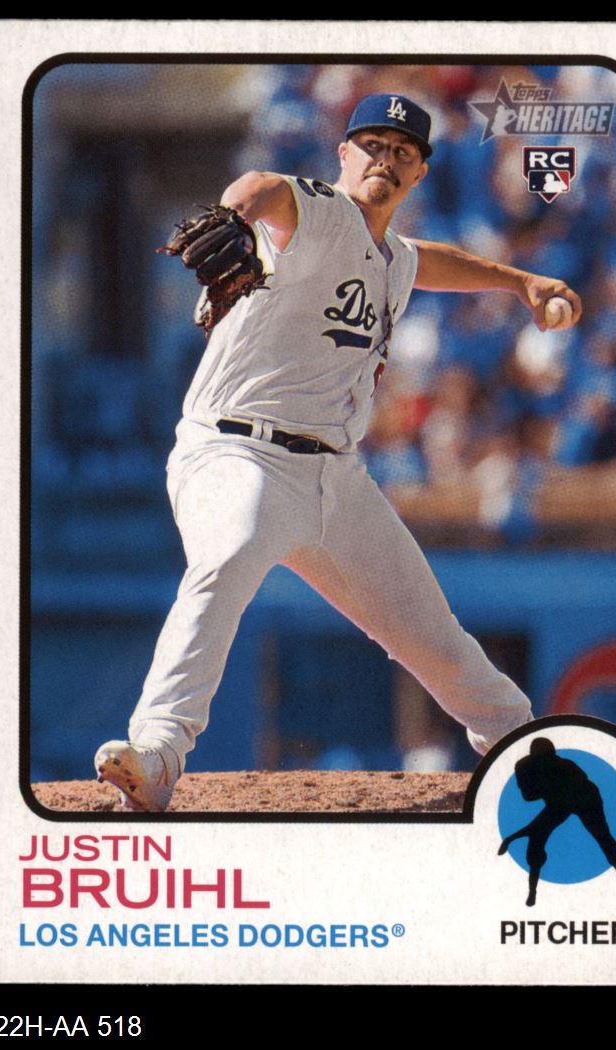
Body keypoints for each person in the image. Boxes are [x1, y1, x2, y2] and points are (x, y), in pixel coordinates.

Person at [95, 93, 582, 811]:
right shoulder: (320, 212)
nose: (385, 159)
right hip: (237, 454)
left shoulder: (393, 259)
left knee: (429, 630)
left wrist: (519, 281)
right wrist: (235, 216)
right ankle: (158, 752)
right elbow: (262, 187)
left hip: (336, 478)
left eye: (402, 152)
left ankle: (519, 741)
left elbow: (426, 261)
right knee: (228, 556)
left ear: (419, 173)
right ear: (344, 154)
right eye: (372, 145)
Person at [498, 737, 616, 906]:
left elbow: (578, 783)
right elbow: (528, 796)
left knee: (603, 837)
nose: (548, 761)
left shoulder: (566, 766)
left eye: (550, 757)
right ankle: (532, 891)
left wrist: (548, 786)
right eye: (543, 759)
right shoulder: (524, 767)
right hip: (559, 801)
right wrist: (549, 786)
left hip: (583, 797)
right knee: (536, 839)